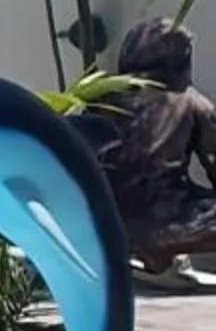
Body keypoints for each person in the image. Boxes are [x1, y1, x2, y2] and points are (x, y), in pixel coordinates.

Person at [83, 16, 216, 276]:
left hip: (101, 222)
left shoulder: (100, 97)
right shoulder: (191, 103)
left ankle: (157, 260)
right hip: (164, 226)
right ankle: (158, 253)